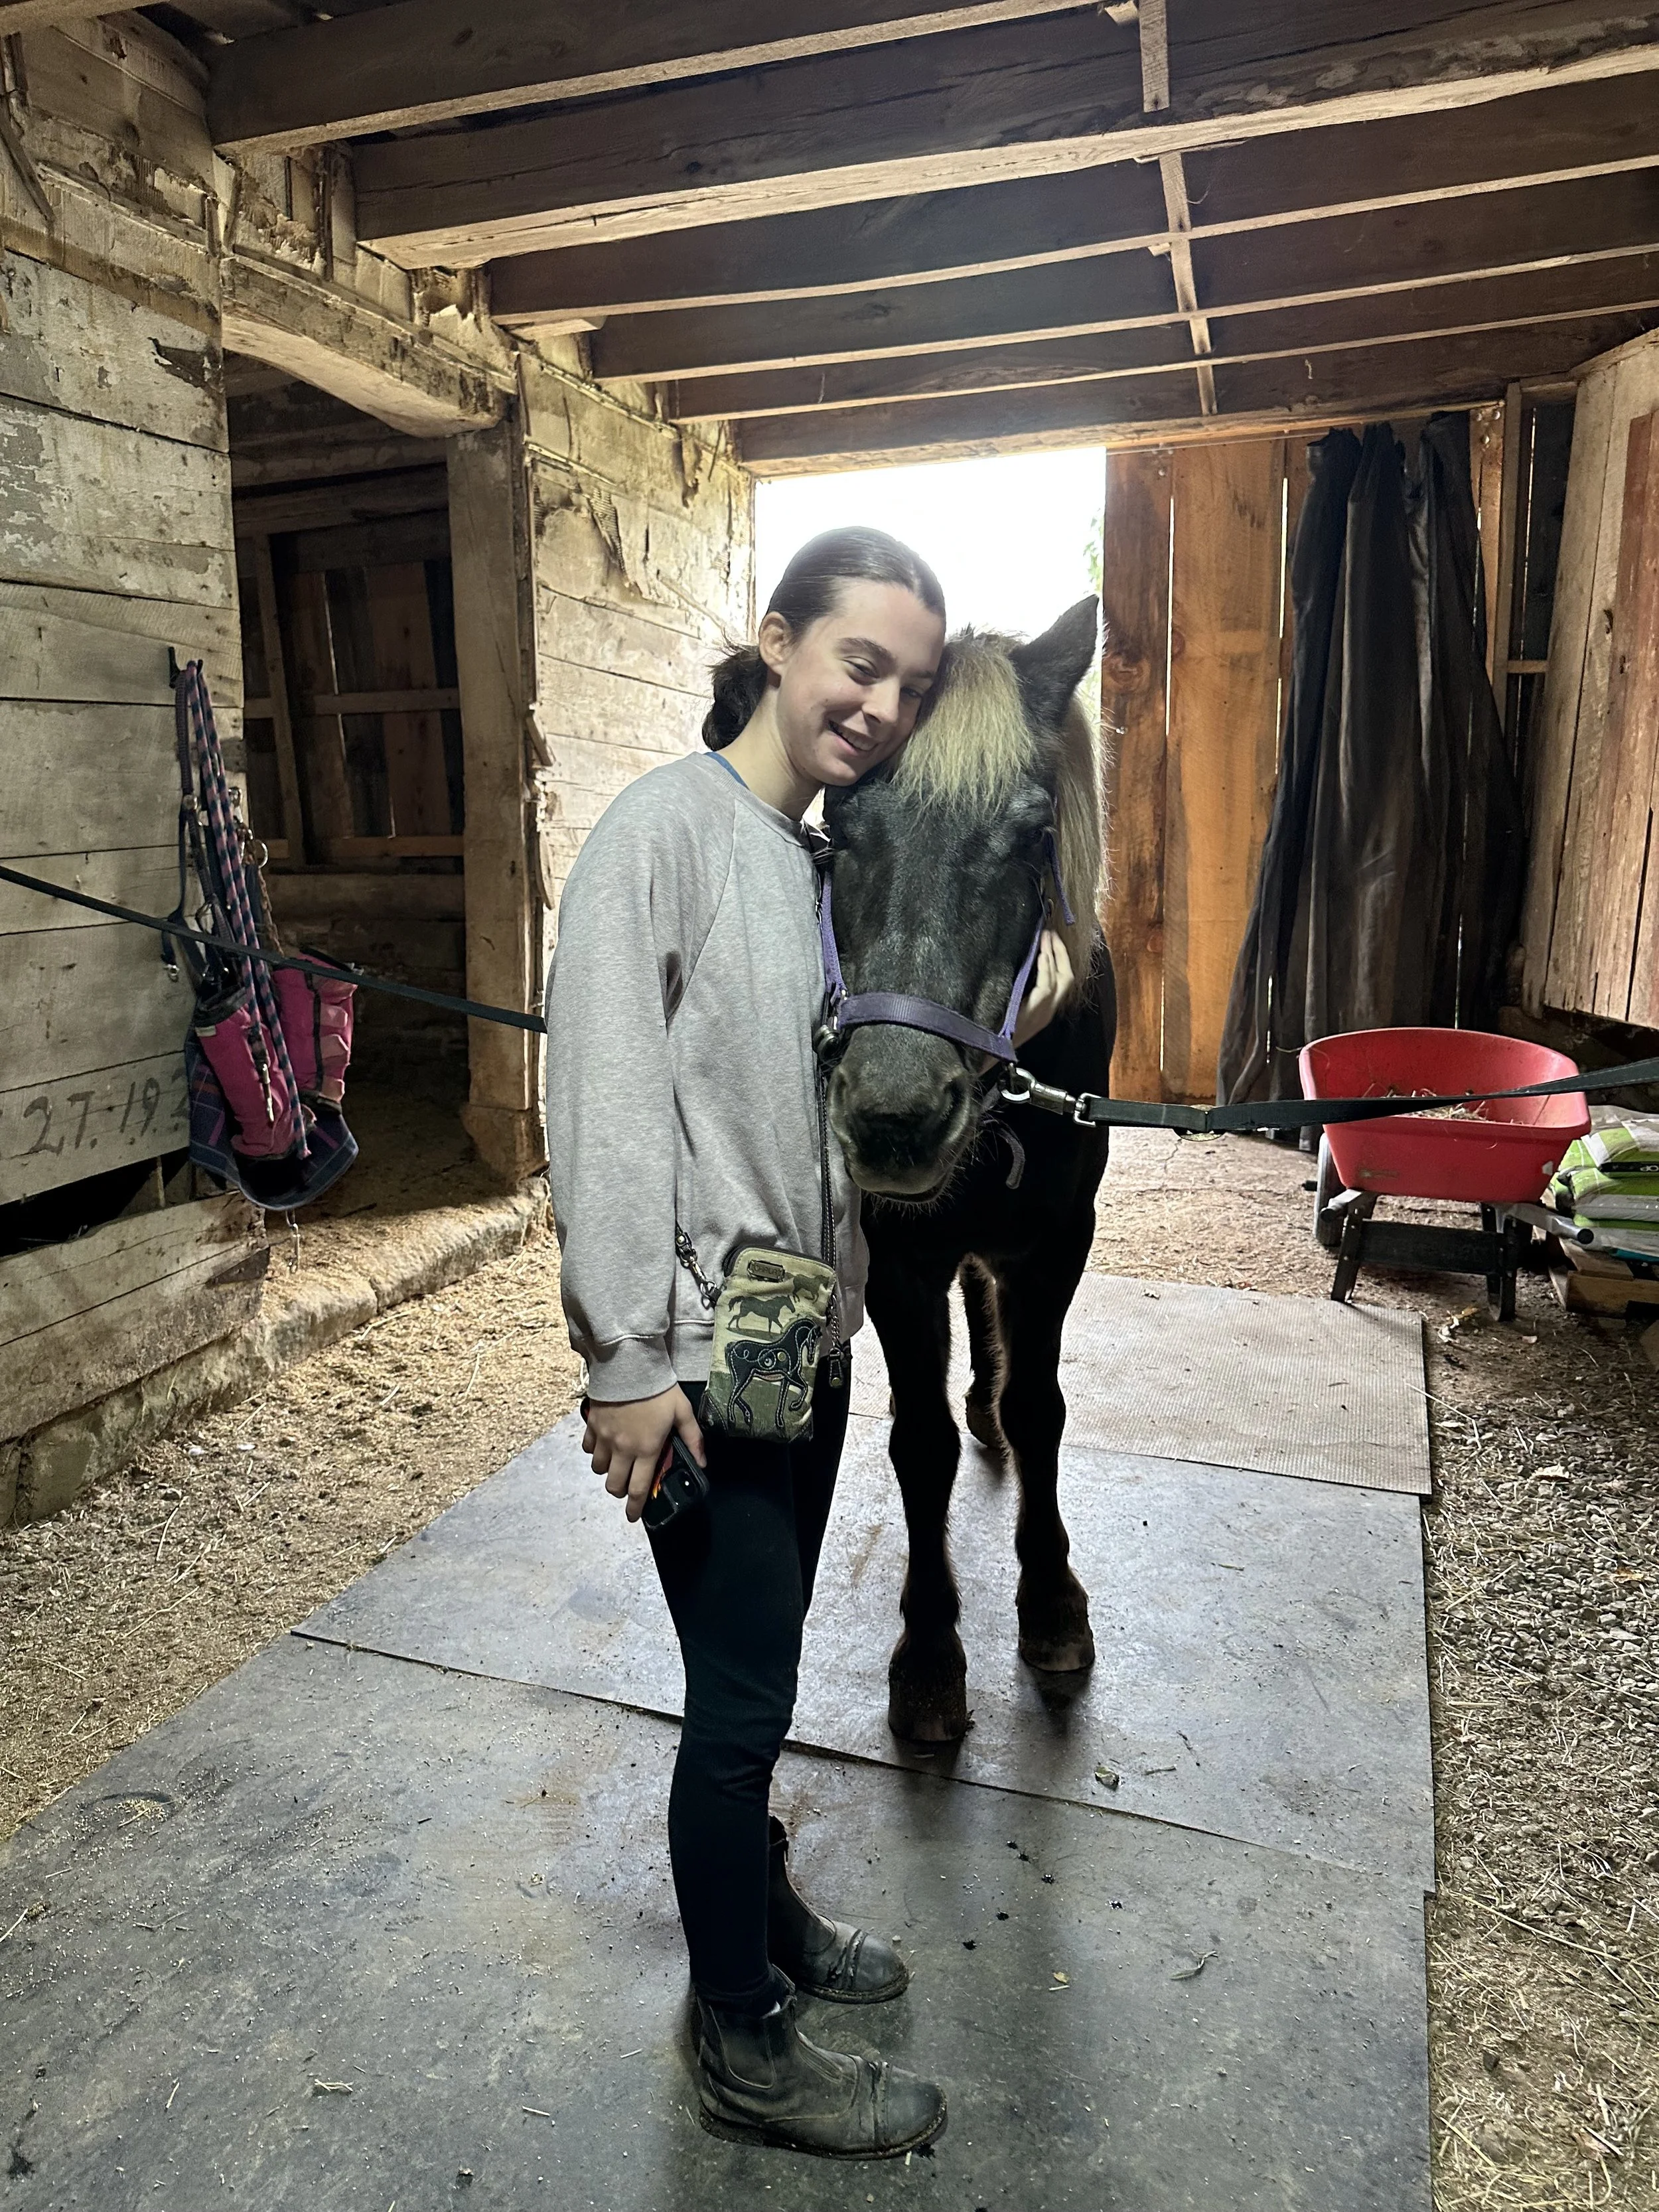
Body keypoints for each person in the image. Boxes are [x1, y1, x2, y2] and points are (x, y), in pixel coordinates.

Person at [545, 526, 1070, 2160]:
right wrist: (627, 1355)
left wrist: (1013, 1017)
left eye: (909, 683)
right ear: (776, 644)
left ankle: (760, 1921)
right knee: (736, 1704)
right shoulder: (665, 835)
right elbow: (606, 1105)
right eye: (860, 662)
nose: (884, 704)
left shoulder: (817, 855)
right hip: (697, 1358)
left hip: (793, 1340)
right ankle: (743, 2037)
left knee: (744, 1690)